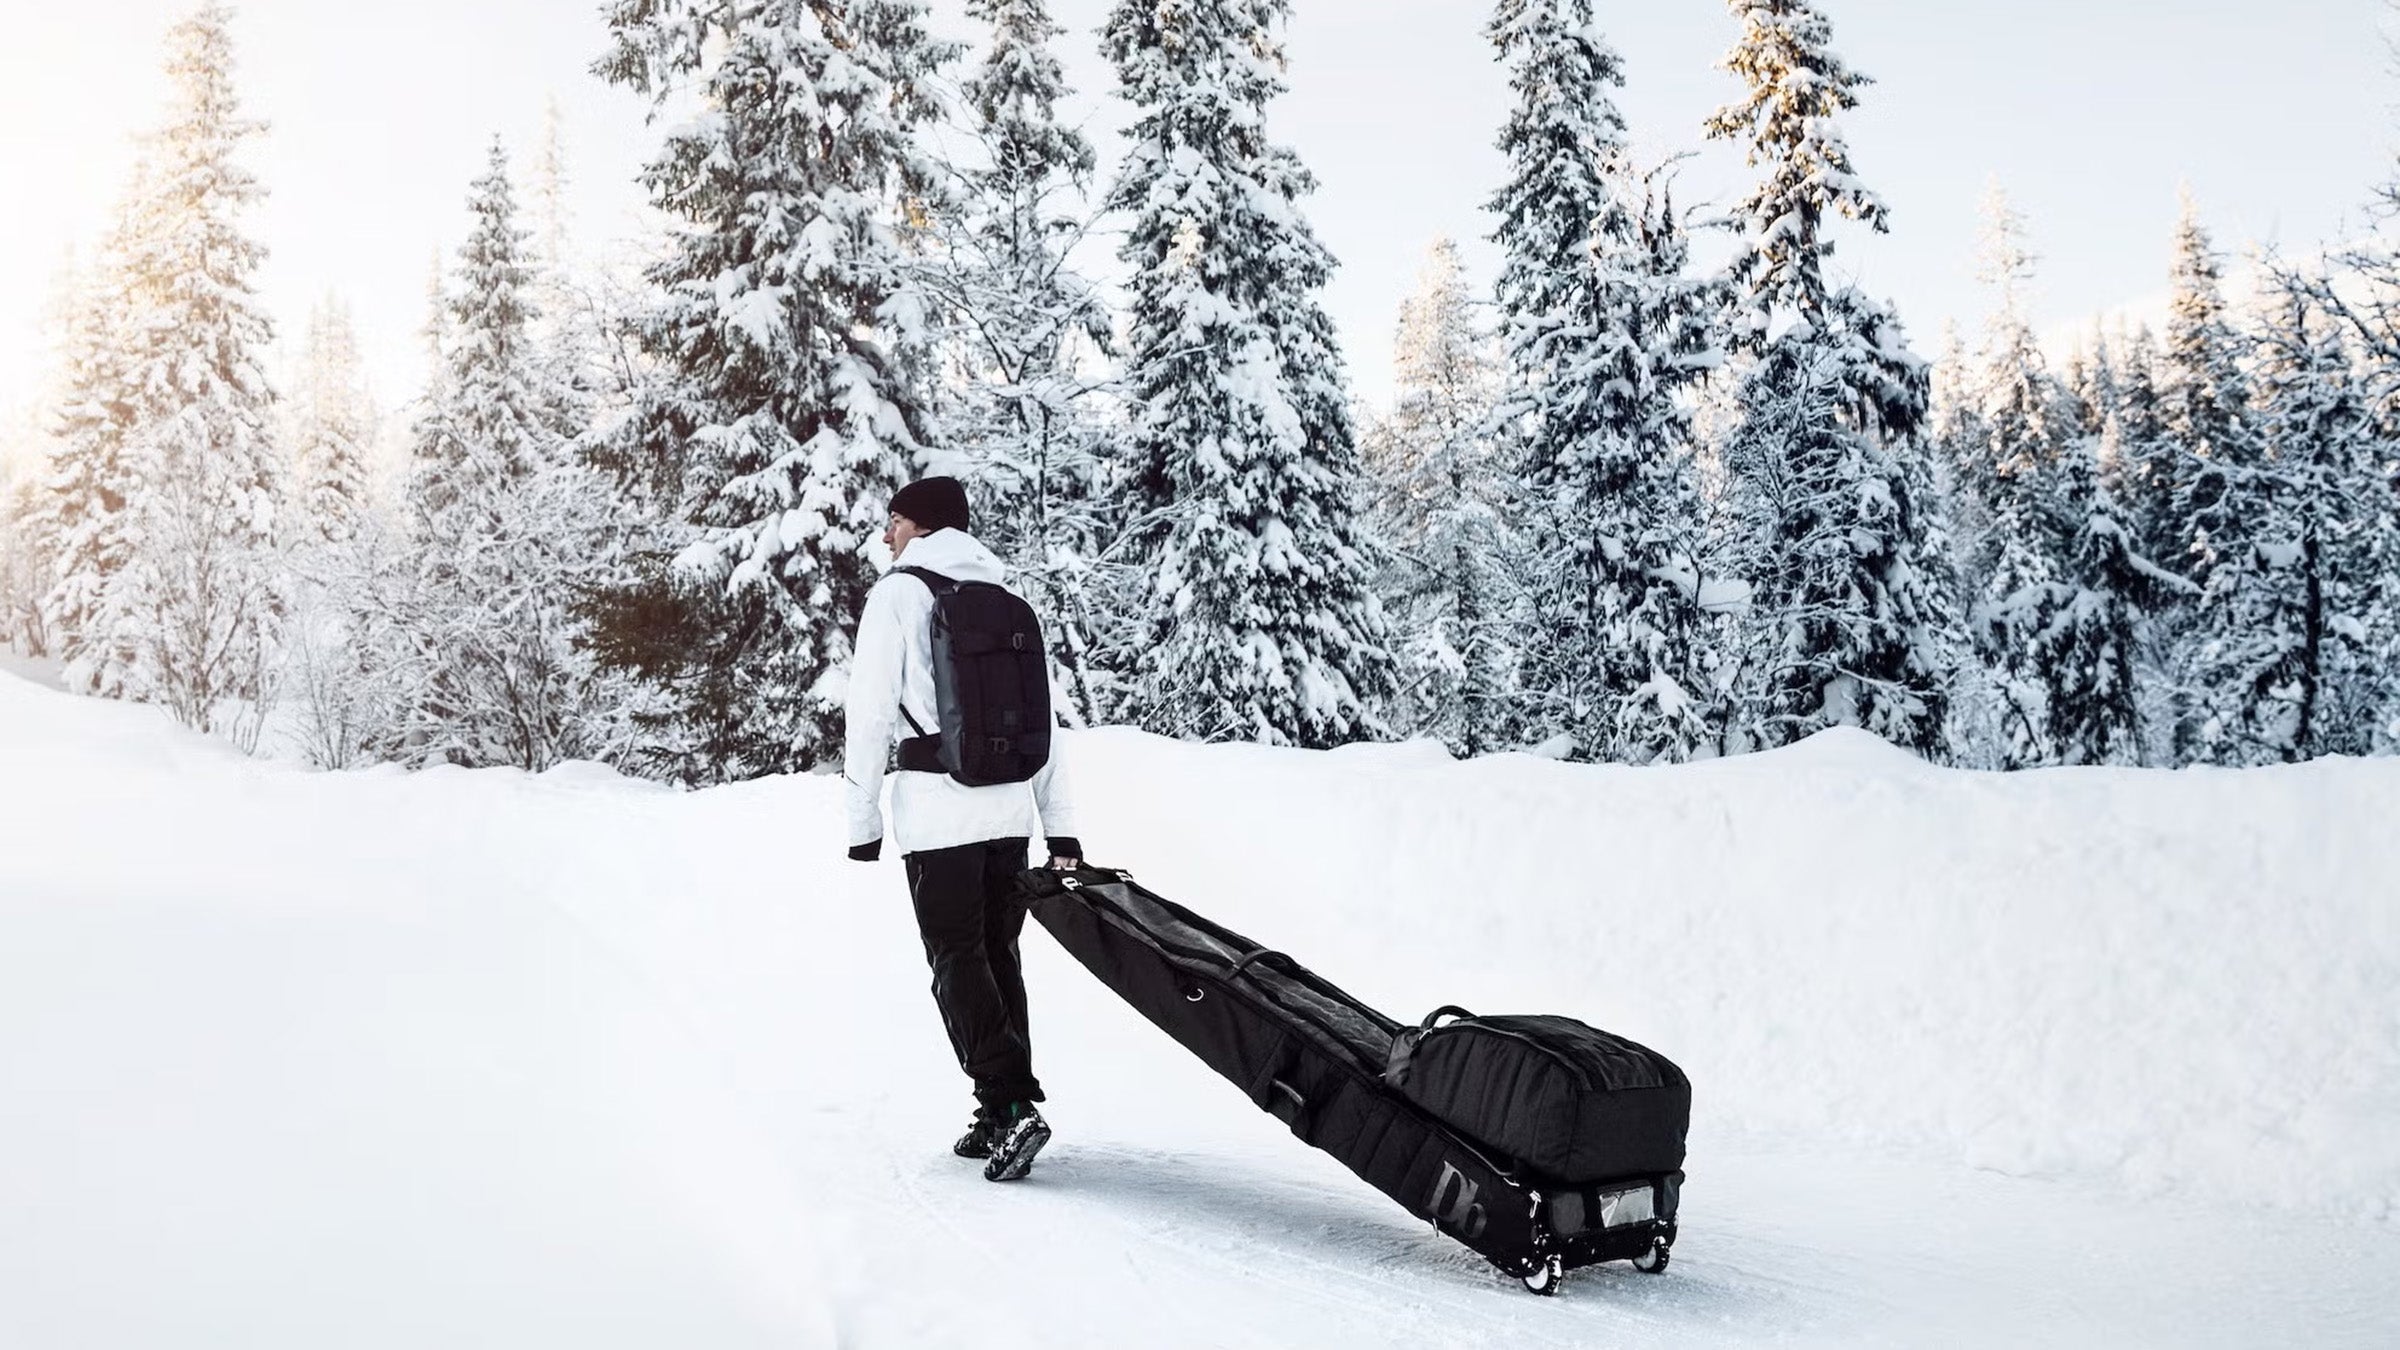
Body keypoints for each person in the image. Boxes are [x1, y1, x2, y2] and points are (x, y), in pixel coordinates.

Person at [843, 475, 1082, 1181]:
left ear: (917, 525)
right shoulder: (1009, 601)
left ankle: (1009, 1108)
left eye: (893, 520)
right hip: (1008, 808)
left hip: (938, 811)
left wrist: (862, 820)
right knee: (996, 955)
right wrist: (1058, 827)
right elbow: (1043, 724)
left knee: (956, 958)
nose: (885, 534)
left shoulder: (899, 595)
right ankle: (997, 1107)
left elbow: (870, 711)